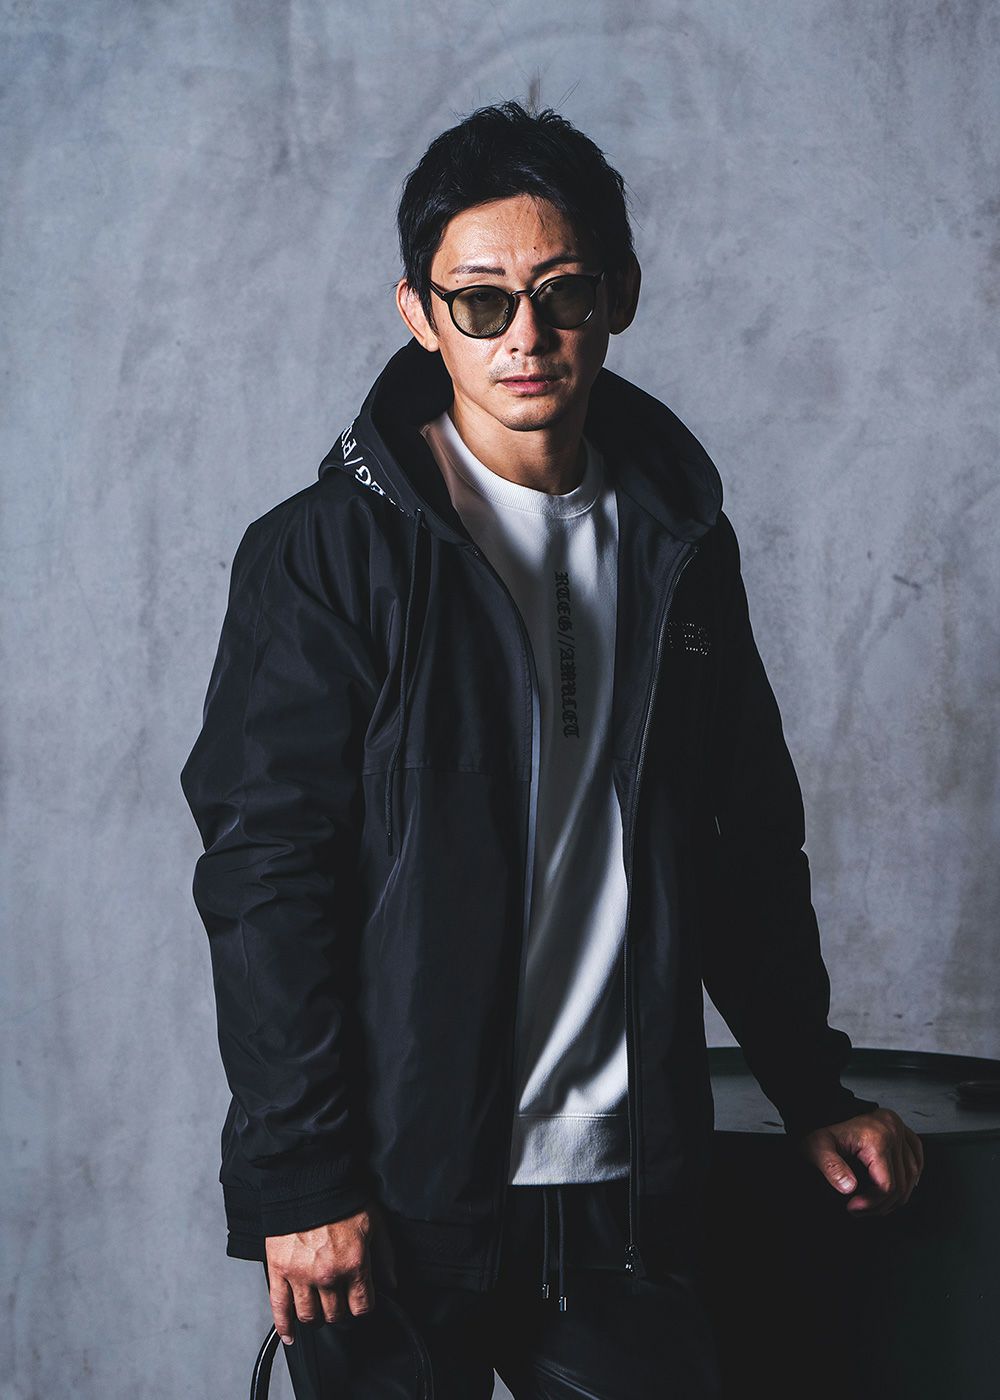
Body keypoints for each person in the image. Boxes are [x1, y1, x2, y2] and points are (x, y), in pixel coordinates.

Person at [181, 101, 924, 1399]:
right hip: (398, 1200)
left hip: (627, 1189)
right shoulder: (328, 555)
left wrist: (813, 1089)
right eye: (479, 303)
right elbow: (267, 879)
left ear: (618, 296)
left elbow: (743, 841)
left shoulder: (680, 543)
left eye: (561, 293)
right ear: (420, 315)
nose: (523, 336)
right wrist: (298, 1179)